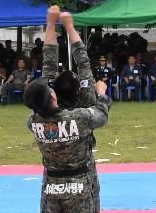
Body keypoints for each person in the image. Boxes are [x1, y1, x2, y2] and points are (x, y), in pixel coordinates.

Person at [25, 75, 111, 213]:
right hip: (78, 188)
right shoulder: (79, 118)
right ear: (53, 96)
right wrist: (101, 93)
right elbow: (101, 115)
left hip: (51, 187)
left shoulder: (33, 122)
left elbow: (38, 107)